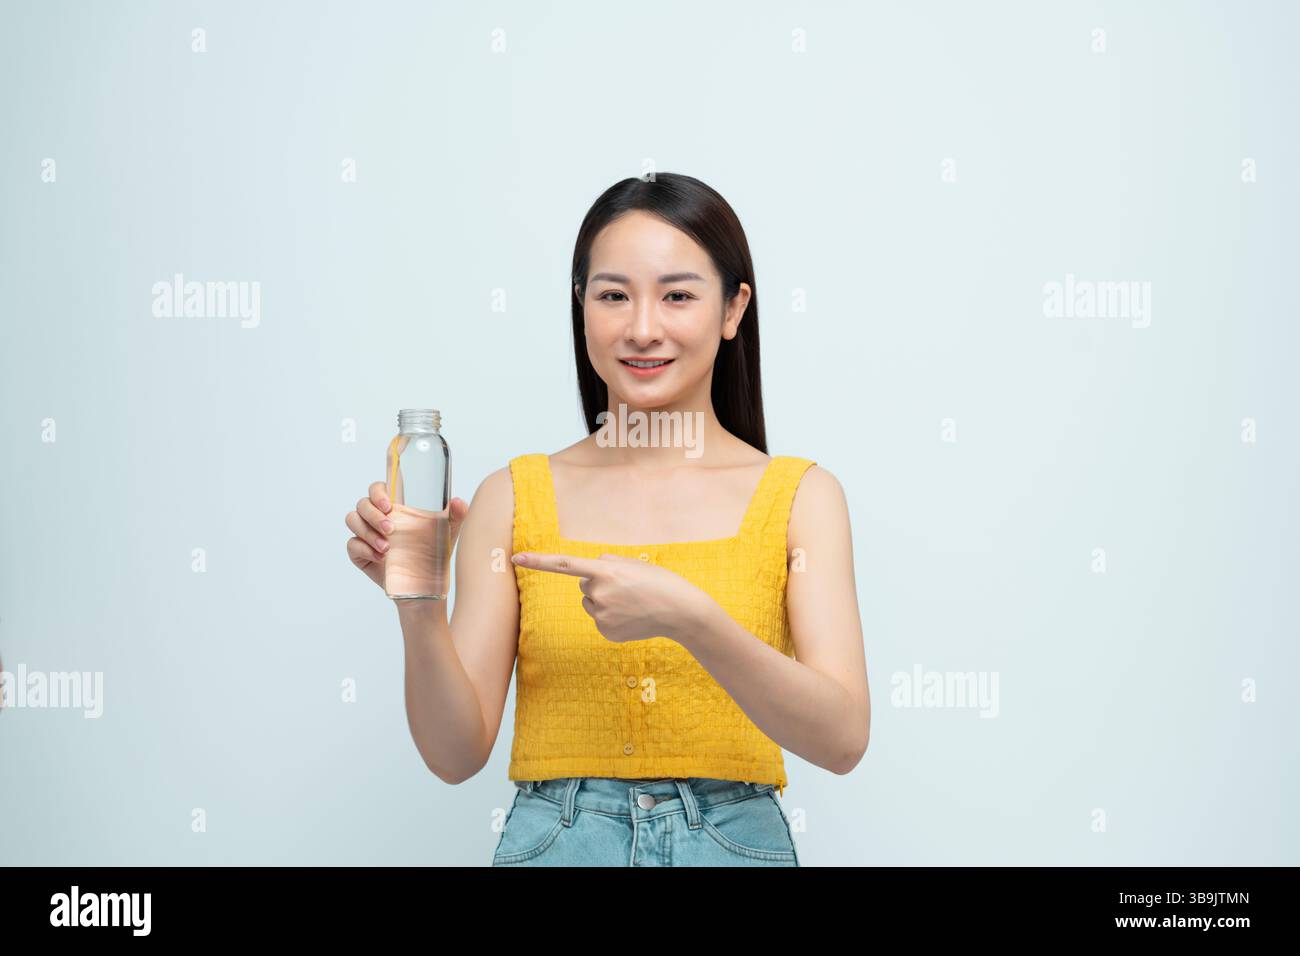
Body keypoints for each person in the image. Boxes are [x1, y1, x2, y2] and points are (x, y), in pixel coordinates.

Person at [345, 172, 870, 865]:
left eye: (677, 295)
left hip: (732, 845)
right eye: (613, 296)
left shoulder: (801, 497)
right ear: (581, 307)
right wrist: (418, 601)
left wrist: (691, 620)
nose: (642, 328)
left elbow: (842, 740)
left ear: (733, 309)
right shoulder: (511, 496)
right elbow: (454, 754)